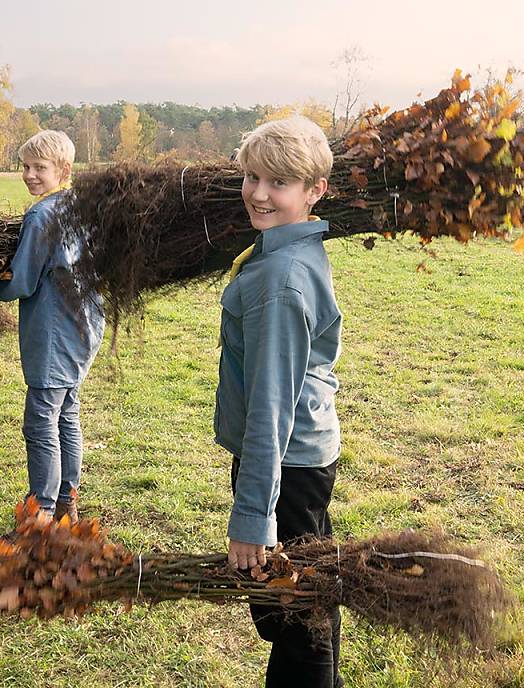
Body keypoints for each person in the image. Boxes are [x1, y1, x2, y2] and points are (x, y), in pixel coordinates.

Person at [216, 116, 343, 687]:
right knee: (301, 607)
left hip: (286, 462)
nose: (259, 194)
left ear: (315, 190)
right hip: (301, 457)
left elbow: (270, 407)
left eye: (280, 183)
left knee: (297, 621)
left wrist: (252, 515)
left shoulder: (281, 277)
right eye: (252, 177)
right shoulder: (287, 251)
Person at [0, 130, 104, 524]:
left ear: (64, 169)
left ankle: (41, 510)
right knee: (66, 411)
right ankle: (67, 500)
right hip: (85, 325)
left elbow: (21, 280)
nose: (30, 175)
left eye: (40, 167)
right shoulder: (80, 206)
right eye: (25, 166)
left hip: (55, 330)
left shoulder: (42, 214)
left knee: (40, 419)